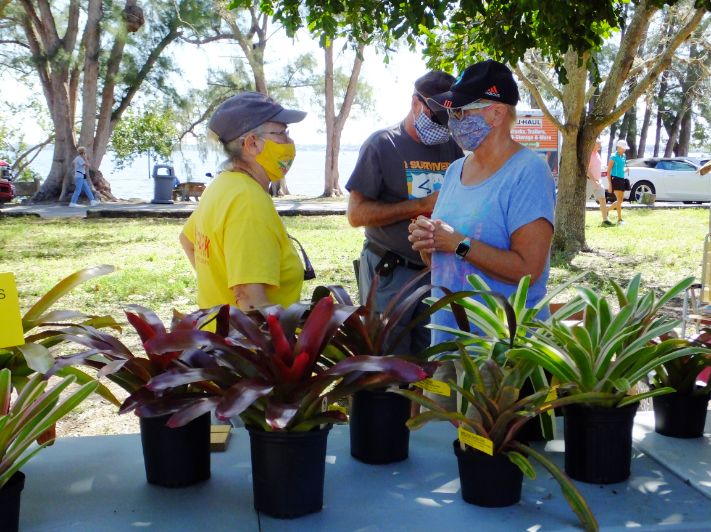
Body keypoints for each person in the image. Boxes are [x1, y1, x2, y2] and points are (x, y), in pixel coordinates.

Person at [408, 60, 556, 406]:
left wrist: (458, 243)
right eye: (451, 112)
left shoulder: (528, 172)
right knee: (442, 445)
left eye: (461, 111)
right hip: (447, 342)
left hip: (500, 351)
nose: (453, 120)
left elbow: (529, 270)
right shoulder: (457, 169)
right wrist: (427, 241)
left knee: (485, 455)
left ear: (497, 113)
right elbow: (439, 260)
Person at [345, 71, 463, 356]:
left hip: (435, 273)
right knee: (388, 361)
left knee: (432, 360)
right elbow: (356, 214)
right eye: (437, 116)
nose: (443, 125)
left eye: (451, 117)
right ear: (415, 105)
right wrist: (421, 205)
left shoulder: (452, 148)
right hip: (390, 274)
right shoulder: (383, 145)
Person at [179, 92, 307, 310]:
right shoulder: (248, 201)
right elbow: (251, 302)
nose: (289, 142)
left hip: (215, 336)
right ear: (252, 143)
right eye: (281, 133)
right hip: (247, 343)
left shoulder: (222, 185)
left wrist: (219, 290)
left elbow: (188, 241)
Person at [587, 139, 613, 226]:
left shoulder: (597, 154)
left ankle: (605, 219)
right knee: (583, 201)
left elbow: (596, 167)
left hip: (598, 181)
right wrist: (593, 181)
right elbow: (587, 170)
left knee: (602, 199)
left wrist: (604, 169)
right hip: (590, 181)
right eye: (598, 144)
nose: (600, 146)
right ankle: (578, 221)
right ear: (593, 144)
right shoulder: (589, 155)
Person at [608, 139, 630, 224]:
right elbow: (609, 171)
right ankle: (620, 219)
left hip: (621, 179)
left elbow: (620, 169)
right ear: (619, 147)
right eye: (623, 148)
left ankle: (607, 210)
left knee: (620, 200)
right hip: (615, 179)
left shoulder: (623, 156)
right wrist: (610, 184)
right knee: (619, 199)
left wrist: (626, 170)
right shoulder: (613, 156)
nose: (624, 149)